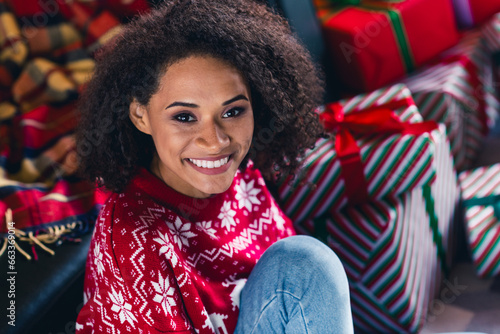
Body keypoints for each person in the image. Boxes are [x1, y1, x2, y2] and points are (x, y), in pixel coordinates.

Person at [75, 0, 354, 333]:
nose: (216, 140)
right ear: (140, 115)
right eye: (184, 117)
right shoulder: (132, 234)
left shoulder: (240, 174)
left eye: (233, 111)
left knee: (305, 264)